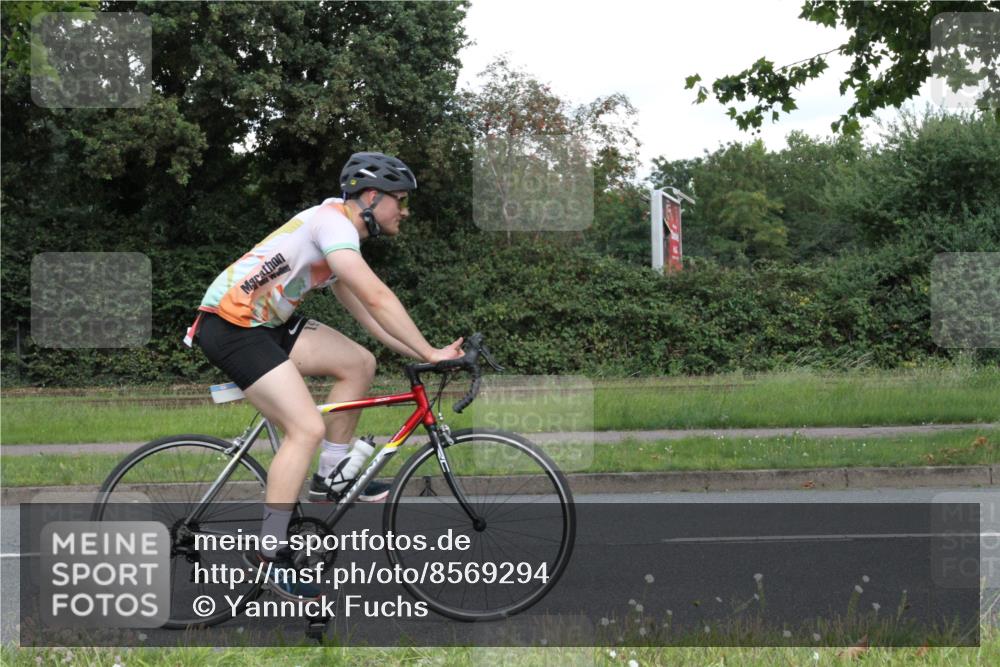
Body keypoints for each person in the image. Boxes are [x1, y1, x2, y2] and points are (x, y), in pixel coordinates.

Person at [183, 152, 463, 599]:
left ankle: (330, 477)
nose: (404, 211)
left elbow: (369, 317)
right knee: (306, 428)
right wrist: (429, 349)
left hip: (265, 325)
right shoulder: (333, 224)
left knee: (359, 363)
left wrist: (426, 355)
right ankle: (269, 558)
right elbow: (376, 295)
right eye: (401, 201)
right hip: (231, 325)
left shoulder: (340, 236)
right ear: (372, 196)